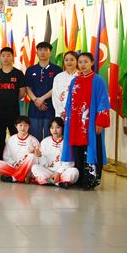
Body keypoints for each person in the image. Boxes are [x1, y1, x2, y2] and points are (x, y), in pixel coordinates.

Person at [61, 52, 110, 190]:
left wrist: (100, 121)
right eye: (80, 62)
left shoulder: (98, 80)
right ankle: (79, 178)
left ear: (92, 63)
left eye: (85, 62)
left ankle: (91, 180)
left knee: (92, 148)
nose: (82, 65)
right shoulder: (74, 81)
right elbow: (69, 102)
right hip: (75, 122)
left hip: (91, 123)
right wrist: (67, 117)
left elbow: (103, 102)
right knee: (77, 148)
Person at [0, 47, 27, 156]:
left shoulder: (18, 73)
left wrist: (12, 99)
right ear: (0, 57)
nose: (6, 58)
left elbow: (22, 92)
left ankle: (16, 158)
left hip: (14, 111)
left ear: (12, 57)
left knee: (15, 135)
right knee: (0, 136)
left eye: (8, 55)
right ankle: (0, 158)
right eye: (3, 56)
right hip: (0, 111)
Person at [25, 41, 63, 139]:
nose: (42, 52)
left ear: (50, 52)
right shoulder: (30, 70)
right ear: (37, 52)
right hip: (34, 108)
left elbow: (57, 88)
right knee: (34, 136)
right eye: (40, 50)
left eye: (45, 50)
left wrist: (42, 99)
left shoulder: (57, 69)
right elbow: (27, 87)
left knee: (50, 136)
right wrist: (36, 100)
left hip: (50, 107)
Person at [31, 117, 79, 188]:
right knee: (35, 167)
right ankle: (59, 183)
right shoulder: (45, 141)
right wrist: (40, 156)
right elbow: (43, 164)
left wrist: (58, 172)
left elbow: (69, 163)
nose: (55, 130)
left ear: (62, 128)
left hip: (62, 172)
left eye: (58, 127)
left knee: (74, 171)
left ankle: (49, 181)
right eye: (52, 128)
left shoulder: (67, 142)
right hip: (48, 171)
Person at [0, 116, 40, 183]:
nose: (23, 128)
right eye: (20, 125)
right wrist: (15, 164)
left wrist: (36, 153)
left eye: (25, 125)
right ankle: (23, 177)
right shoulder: (11, 139)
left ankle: (13, 178)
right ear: (16, 126)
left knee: (32, 156)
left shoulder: (33, 140)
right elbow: (6, 156)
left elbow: (37, 159)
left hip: (28, 169)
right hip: (14, 166)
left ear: (29, 127)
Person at [52, 51, 79, 118]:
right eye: (66, 60)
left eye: (72, 60)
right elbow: (55, 96)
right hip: (61, 114)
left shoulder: (81, 76)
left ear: (77, 61)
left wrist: (72, 111)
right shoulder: (58, 77)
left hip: (76, 113)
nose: (69, 62)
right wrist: (61, 111)